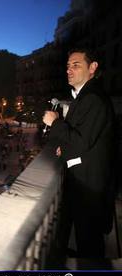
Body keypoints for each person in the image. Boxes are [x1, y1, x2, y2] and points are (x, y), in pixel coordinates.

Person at [42, 48, 116, 258]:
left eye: (76, 65)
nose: (69, 70)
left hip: (89, 191)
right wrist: (64, 147)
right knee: (82, 243)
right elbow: (81, 138)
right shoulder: (84, 97)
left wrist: (55, 122)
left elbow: (81, 141)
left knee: (90, 248)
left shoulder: (93, 99)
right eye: (68, 66)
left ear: (92, 68)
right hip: (82, 187)